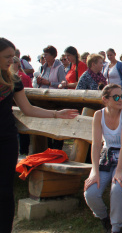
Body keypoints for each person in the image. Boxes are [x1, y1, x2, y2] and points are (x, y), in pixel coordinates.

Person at [0, 37, 78, 232]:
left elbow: (28, 109)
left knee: (4, 190)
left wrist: (55, 114)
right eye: (7, 57)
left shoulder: (13, 79)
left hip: (6, 139)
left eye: (13, 56)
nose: (12, 61)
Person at [84, 84, 122, 233]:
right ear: (105, 99)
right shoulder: (98, 115)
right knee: (90, 192)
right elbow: (96, 145)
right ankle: (104, 218)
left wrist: (119, 170)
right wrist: (94, 171)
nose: (120, 100)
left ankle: (116, 227)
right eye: (116, 97)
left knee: (118, 186)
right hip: (108, 156)